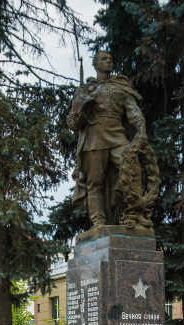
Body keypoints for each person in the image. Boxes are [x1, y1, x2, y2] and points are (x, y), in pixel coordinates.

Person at [69, 51, 158, 229]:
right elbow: (73, 122)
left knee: (132, 170)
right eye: (103, 59)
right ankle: (98, 221)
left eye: (110, 58)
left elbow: (133, 112)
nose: (108, 61)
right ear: (95, 64)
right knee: (95, 182)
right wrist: (84, 108)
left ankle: (133, 213)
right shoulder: (86, 90)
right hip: (94, 139)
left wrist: (141, 130)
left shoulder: (121, 88)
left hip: (117, 137)